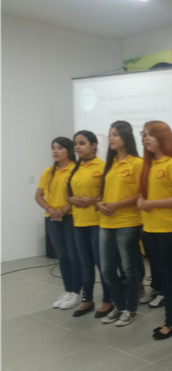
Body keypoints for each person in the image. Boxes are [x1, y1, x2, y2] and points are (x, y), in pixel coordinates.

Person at [137, 121, 172, 339]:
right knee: (159, 274)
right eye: (144, 135)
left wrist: (152, 204)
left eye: (150, 135)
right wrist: (141, 200)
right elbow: (143, 193)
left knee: (169, 274)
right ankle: (168, 317)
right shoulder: (147, 164)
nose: (146, 139)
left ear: (162, 137)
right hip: (149, 228)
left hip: (169, 228)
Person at [96, 121, 143, 327]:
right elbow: (102, 191)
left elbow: (141, 195)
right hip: (106, 222)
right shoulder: (110, 163)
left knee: (128, 268)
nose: (111, 138)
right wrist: (99, 203)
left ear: (125, 136)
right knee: (106, 269)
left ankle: (131, 309)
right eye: (110, 134)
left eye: (115, 134)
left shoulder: (137, 163)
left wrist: (117, 204)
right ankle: (119, 305)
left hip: (128, 222)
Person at [67, 130, 114, 318]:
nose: (77, 147)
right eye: (75, 144)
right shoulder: (75, 168)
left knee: (101, 263)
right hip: (79, 222)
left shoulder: (103, 167)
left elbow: (108, 194)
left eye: (82, 143)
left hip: (98, 222)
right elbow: (68, 194)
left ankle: (108, 300)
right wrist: (72, 199)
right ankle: (87, 299)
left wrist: (93, 200)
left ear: (93, 145)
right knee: (85, 262)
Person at [35, 137, 82, 310]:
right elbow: (38, 195)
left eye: (60, 148)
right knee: (62, 256)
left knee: (73, 256)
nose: (55, 151)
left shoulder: (75, 169)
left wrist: (63, 210)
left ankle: (76, 292)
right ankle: (68, 290)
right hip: (52, 218)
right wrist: (50, 209)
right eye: (53, 148)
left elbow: (78, 194)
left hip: (70, 217)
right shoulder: (48, 172)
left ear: (68, 150)